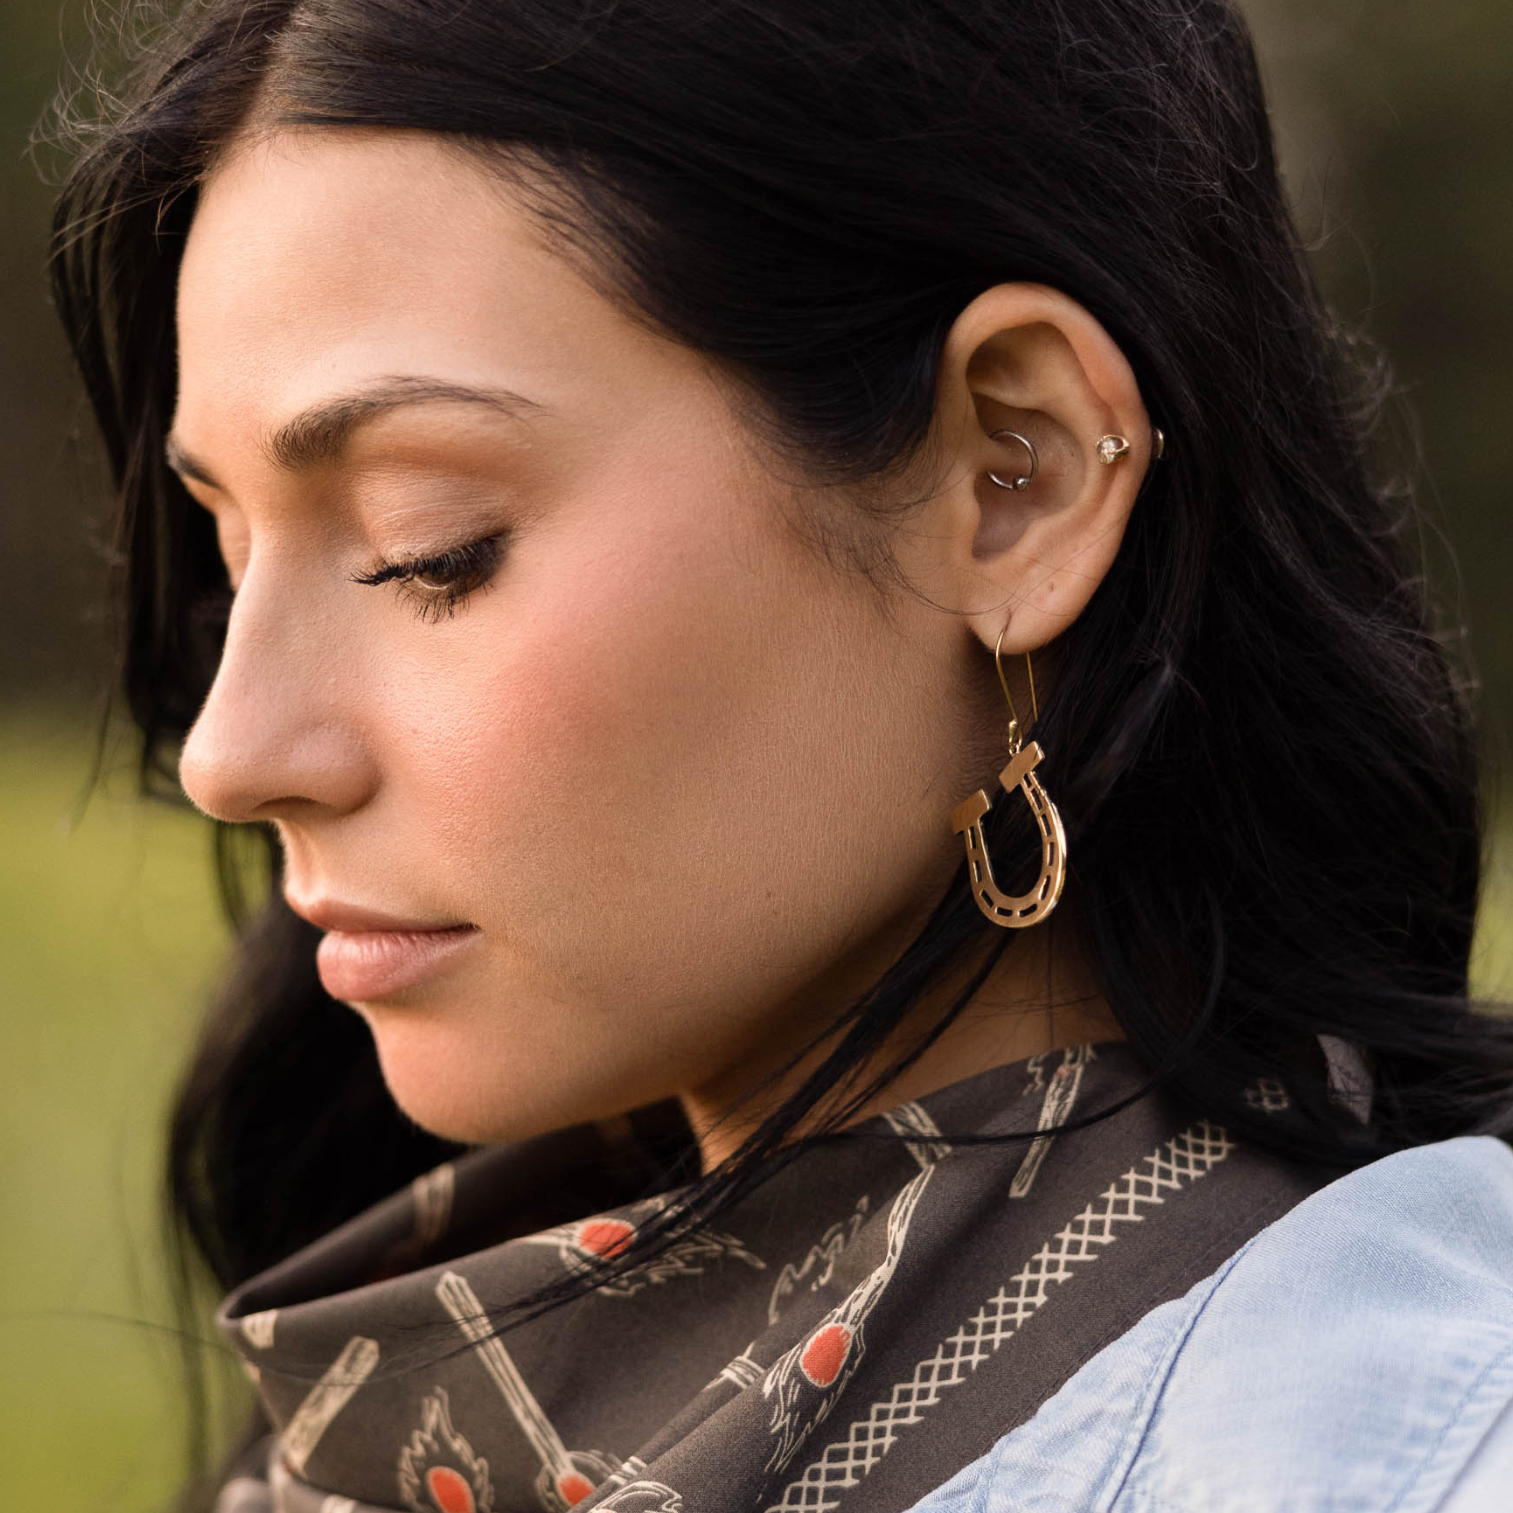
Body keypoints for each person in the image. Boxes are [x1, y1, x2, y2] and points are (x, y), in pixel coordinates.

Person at [46, 0, 1513, 1509]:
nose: (230, 753)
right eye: (229, 552)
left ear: (1018, 475)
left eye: (432, 547)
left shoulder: (1402, 1450)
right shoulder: (406, 1412)